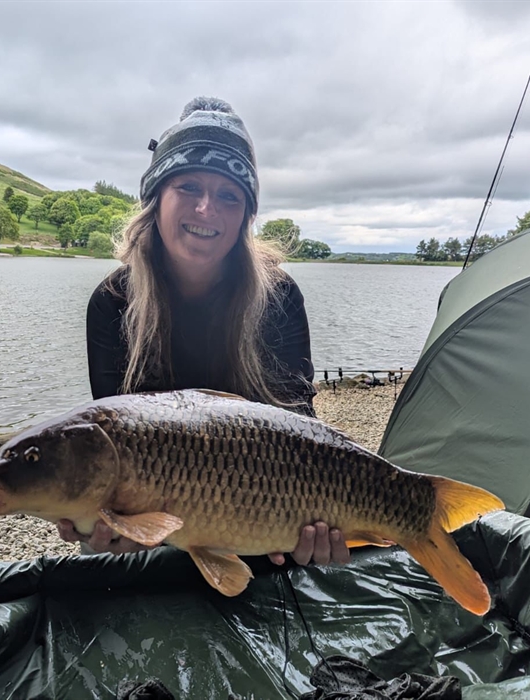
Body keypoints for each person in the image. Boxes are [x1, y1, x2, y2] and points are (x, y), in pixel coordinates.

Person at [58, 97, 350, 567]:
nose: (206, 207)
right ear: (156, 199)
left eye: (229, 195)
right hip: (163, 536)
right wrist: (110, 524)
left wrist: (315, 537)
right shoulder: (113, 302)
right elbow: (113, 444)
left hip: (269, 529)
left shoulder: (279, 298)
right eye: (188, 186)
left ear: (246, 216)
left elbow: (302, 434)